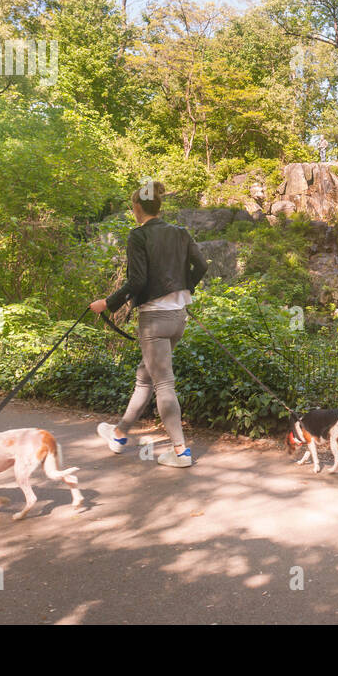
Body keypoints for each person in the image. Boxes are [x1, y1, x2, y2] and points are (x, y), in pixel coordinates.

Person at [90, 182, 207, 468]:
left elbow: (138, 281)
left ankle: (180, 452)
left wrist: (107, 303)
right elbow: (202, 265)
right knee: (146, 375)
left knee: (163, 382)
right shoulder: (180, 233)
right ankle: (118, 435)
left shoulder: (138, 235)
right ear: (160, 206)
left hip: (154, 320)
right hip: (178, 318)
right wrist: (181, 289)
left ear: (138, 207)